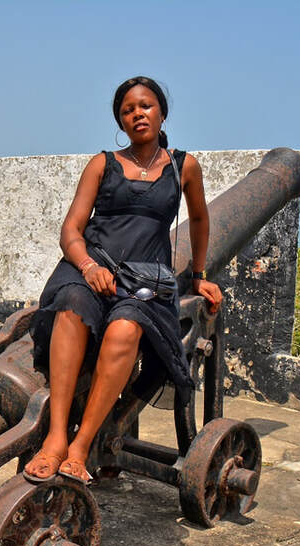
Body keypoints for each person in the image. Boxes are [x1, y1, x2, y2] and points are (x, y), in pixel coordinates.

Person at [24, 76, 223, 483]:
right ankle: (57, 437)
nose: (137, 114)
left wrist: (199, 276)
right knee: (72, 308)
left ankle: (82, 447)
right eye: (128, 110)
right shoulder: (102, 164)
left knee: (126, 329)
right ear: (121, 120)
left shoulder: (184, 167)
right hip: (93, 264)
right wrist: (88, 267)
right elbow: (71, 231)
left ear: (162, 113)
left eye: (145, 106)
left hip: (145, 278)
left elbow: (200, 219)